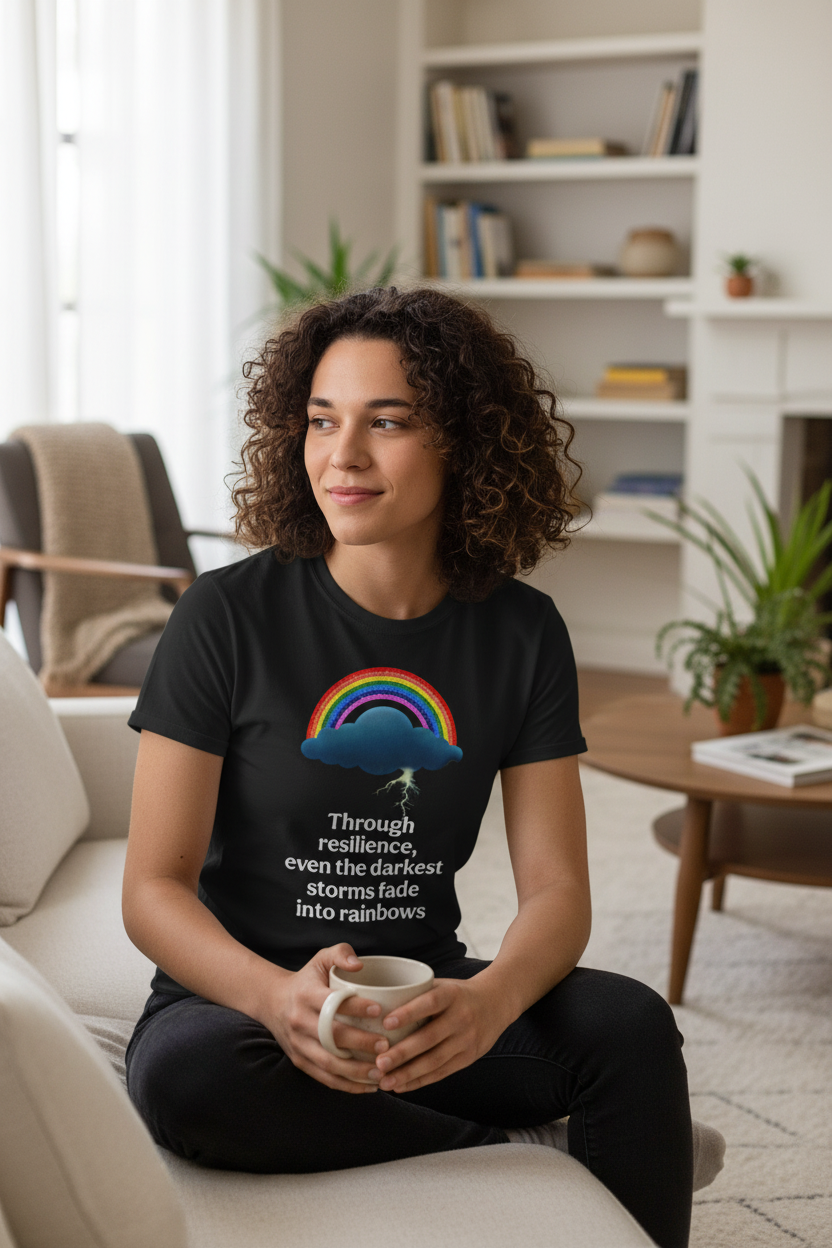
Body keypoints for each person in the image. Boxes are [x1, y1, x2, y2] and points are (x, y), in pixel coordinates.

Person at [123, 286, 693, 1248]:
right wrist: (275, 997)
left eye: (386, 422)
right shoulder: (223, 617)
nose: (341, 456)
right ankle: (517, 1165)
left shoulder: (522, 633)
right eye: (320, 421)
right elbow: (153, 889)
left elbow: (557, 889)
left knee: (631, 1028)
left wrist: (491, 999)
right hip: (240, 1011)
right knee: (191, 1084)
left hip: (426, 997)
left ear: (463, 443)